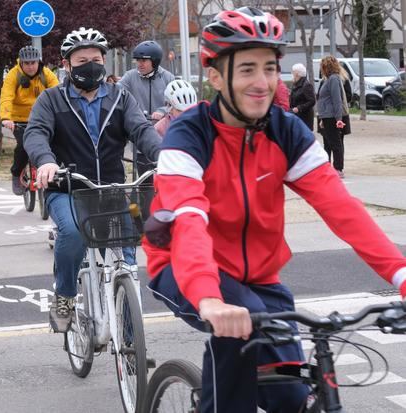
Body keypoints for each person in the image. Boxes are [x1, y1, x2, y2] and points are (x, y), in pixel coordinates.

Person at [142, 7, 406, 413]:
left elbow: (341, 208)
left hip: (261, 279)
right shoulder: (188, 134)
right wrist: (209, 299)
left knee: (291, 396)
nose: (262, 82)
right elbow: (189, 219)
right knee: (238, 331)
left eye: (269, 68)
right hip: (186, 269)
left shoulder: (286, 131)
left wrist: (400, 274)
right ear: (216, 77)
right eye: (247, 69)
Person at [23, 27, 161, 333]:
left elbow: (142, 131)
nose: (91, 65)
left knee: (127, 259)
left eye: (96, 59)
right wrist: (45, 162)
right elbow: (36, 134)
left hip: (111, 190)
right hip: (67, 188)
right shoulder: (51, 99)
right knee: (72, 234)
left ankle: (129, 338)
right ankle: (65, 296)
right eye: (82, 60)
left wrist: (166, 156)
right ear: (67, 64)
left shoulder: (120, 97)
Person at [0, 45, 59, 195]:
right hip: (19, 119)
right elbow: (6, 96)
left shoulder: (46, 74)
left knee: (53, 144)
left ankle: (53, 173)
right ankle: (16, 173)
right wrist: (6, 118)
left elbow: (58, 93)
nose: (31, 66)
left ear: (38, 62)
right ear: (21, 63)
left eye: (33, 62)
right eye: (27, 63)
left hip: (41, 117)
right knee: (23, 146)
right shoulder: (14, 75)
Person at [118, 40, 175, 121]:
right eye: (138, 60)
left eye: (143, 61)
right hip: (137, 127)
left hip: (161, 127)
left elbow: (175, 104)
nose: (139, 64)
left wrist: (162, 111)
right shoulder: (130, 76)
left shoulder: (168, 78)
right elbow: (116, 91)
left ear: (155, 61)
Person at [317, 55, 348, 178]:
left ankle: (338, 169)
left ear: (326, 67)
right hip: (326, 116)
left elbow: (337, 99)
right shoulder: (329, 79)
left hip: (331, 116)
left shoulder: (333, 79)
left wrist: (339, 119)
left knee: (335, 143)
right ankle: (333, 168)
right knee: (329, 143)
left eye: (322, 67)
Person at [289, 63, 315, 130]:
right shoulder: (296, 84)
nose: (292, 74)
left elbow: (312, 101)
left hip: (304, 118)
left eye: (293, 72)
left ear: (297, 73)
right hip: (297, 117)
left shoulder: (306, 85)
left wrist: (299, 108)